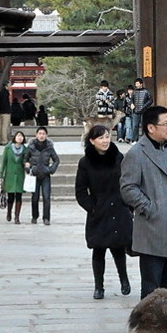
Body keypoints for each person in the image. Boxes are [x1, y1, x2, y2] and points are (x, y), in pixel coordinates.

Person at [119, 105, 167, 300]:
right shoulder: (136, 153)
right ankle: (149, 327)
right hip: (153, 231)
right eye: (165, 124)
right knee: (152, 288)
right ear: (151, 128)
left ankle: (166, 327)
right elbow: (128, 188)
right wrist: (150, 208)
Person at [74, 124, 133, 300]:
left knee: (118, 248)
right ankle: (99, 286)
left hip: (118, 209)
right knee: (98, 250)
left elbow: (128, 182)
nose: (105, 141)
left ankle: (124, 280)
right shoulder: (85, 163)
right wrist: (92, 207)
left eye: (107, 136)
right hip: (98, 211)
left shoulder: (119, 158)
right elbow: (81, 191)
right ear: (92, 141)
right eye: (101, 138)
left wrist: (127, 204)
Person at [25, 126, 60, 225]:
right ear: (36, 135)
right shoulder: (31, 147)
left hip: (45, 175)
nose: (41, 136)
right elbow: (25, 159)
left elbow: (56, 160)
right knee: (35, 197)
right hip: (34, 175)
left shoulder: (49, 147)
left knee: (46, 197)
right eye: (39, 133)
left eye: (43, 134)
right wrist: (28, 168)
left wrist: (50, 169)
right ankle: (34, 216)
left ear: (46, 135)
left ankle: (46, 218)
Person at [0, 130, 27, 224]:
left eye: (21, 136)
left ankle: (17, 216)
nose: (20, 138)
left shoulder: (25, 149)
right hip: (10, 175)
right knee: (10, 196)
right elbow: (3, 162)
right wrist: (1, 175)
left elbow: (26, 160)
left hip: (20, 175)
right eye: (18, 136)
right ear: (15, 137)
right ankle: (9, 212)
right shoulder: (8, 148)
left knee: (19, 196)